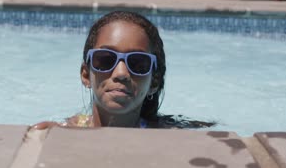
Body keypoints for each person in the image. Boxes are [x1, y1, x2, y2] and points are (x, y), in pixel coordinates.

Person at [34, 11, 215, 129]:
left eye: (137, 63)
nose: (121, 73)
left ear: (154, 81)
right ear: (86, 74)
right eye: (105, 60)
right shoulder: (60, 132)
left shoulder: (173, 134)